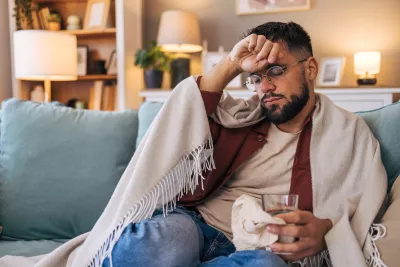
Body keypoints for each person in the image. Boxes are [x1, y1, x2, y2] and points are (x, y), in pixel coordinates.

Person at [102, 21, 382, 267]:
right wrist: (232, 64)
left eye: (276, 71)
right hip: (193, 226)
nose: (265, 87)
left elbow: (362, 211)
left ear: (310, 69)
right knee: (160, 244)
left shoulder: (347, 132)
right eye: (257, 78)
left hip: (259, 249)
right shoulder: (235, 118)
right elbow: (184, 114)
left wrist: (327, 232)